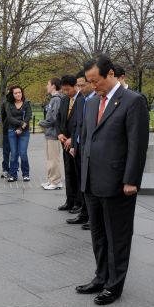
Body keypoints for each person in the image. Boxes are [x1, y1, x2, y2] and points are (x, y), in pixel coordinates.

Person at [76, 55, 149, 305]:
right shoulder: (89, 102)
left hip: (118, 182)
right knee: (98, 234)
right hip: (91, 181)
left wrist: (131, 180)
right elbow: (87, 140)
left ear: (110, 75)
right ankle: (101, 276)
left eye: (95, 81)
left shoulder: (133, 101)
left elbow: (137, 145)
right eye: (88, 82)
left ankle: (114, 285)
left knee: (117, 236)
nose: (92, 86)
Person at [68, 70, 96, 229]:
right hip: (79, 146)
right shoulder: (80, 100)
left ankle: (93, 217)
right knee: (82, 182)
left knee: (91, 184)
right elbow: (77, 124)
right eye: (78, 85)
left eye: (82, 85)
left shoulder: (97, 100)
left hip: (90, 148)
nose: (80, 88)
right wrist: (73, 145)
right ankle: (84, 213)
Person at [56, 75, 84, 214]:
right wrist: (59, 133)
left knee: (77, 172)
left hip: (75, 143)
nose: (66, 92)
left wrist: (73, 138)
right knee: (68, 172)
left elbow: (82, 122)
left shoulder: (82, 100)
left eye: (68, 90)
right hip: (64, 141)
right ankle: (70, 200)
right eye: (64, 90)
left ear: (75, 86)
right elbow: (59, 118)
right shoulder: (64, 100)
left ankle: (79, 202)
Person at [39, 78, 64, 190]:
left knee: (54, 159)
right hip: (50, 133)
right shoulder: (54, 99)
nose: (46, 86)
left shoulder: (56, 100)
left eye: (48, 84)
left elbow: (54, 118)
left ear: (53, 86)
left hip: (54, 134)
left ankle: (56, 181)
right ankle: (51, 180)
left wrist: (41, 123)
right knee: (50, 158)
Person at [5, 85, 32, 182]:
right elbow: (9, 118)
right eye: (15, 93)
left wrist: (21, 128)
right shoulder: (9, 104)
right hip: (12, 131)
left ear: (22, 93)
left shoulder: (27, 103)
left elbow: (28, 116)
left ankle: (26, 174)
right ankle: (13, 174)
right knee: (14, 154)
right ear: (12, 94)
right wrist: (21, 123)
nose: (18, 94)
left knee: (23, 153)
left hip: (24, 132)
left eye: (19, 92)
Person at [0, 98, 11, 179]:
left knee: (15, 152)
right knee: (6, 151)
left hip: (16, 130)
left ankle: (14, 168)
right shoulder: (5, 103)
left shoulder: (21, 102)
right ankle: (5, 169)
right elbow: (3, 116)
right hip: (7, 129)